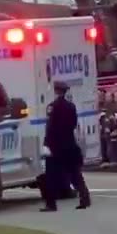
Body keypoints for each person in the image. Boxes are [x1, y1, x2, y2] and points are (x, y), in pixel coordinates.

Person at [41, 80, 92, 212]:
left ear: (56, 90)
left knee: (50, 176)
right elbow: (73, 124)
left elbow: (51, 127)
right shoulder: (71, 106)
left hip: (56, 147)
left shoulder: (53, 107)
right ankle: (85, 198)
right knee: (75, 174)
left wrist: (47, 144)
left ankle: (51, 204)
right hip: (69, 144)